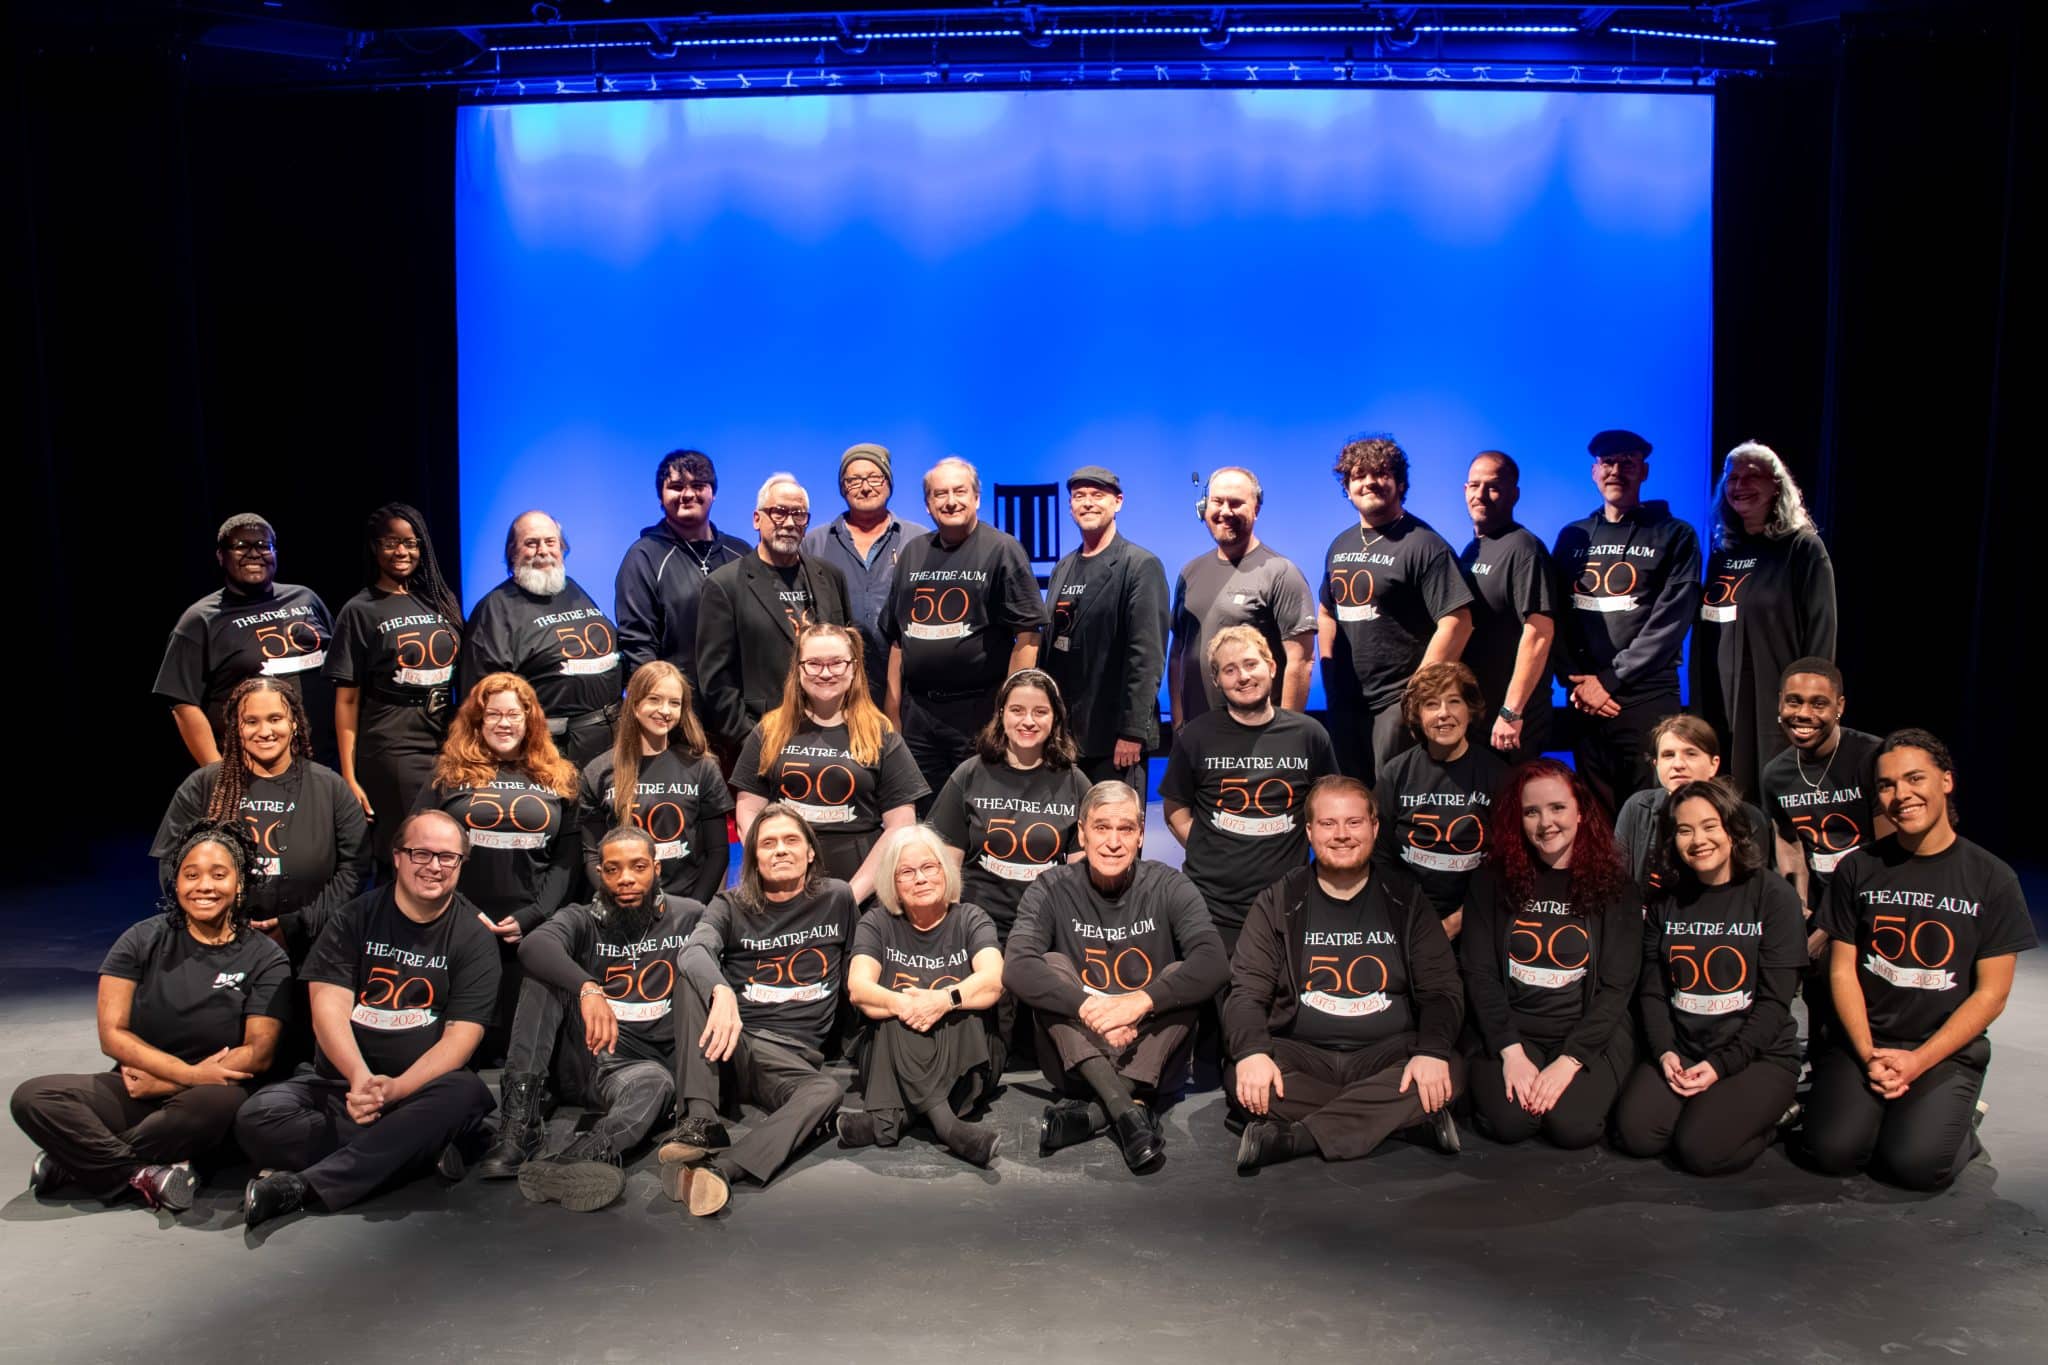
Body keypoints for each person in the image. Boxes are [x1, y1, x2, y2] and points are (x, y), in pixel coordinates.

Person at [235, 809, 501, 1226]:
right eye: (421, 853)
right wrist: (360, 1078)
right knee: (258, 1117)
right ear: (397, 857)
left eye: (447, 857)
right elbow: (328, 1009)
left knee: (464, 1093)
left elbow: (461, 1037)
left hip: (421, 1089)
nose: (434, 866)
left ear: (461, 865)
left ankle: (300, 1188)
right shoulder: (353, 918)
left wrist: (395, 1090)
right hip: (340, 1083)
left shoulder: (474, 938)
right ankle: (425, 1147)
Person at [12, 822, 289, 1211]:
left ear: (240, 883)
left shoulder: (265, 956)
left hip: (206, 1091)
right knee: (34, 1097)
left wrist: (174, 1083)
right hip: (137, 1082)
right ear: (175, 884)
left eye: (218, 874)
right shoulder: (140, 939)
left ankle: (78, 1164)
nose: (203, 886)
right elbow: (113, 1035)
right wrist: (187, 1073)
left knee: (214, 1107)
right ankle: (142, 1174)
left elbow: (258, 1052)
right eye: (191, 875)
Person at [1802, 730, 2036, 1190]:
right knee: (1832, 1153)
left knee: (1914, 1167)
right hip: (1863, 1042)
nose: (1900, 795)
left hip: (1942, 1047)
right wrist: (1869, 1054)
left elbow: (1992, 994)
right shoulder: (1858, 868)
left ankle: (1961, 1123)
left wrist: (1919, 1060)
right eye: (1886, 785)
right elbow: (1842, 969)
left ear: (1946, 781)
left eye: (1914, 779)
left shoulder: (1991, 877)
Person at [1225, 777, 1464, 1170]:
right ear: (1309, 832)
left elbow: (1442, 990)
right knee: (1243, 1071)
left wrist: (1430, 1052)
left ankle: (1295, 1137)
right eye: (1328, 824)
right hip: (1303, 1056)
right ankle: (1401, 1122)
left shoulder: (1405, 897)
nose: (1341, 835)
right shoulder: (1278, 899)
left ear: (1374, 827)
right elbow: (1247, 991)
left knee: (1449, 1065)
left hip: (1387, 1054)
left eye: (1353, 823)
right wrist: (1252, 1053)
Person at [1006, 781, 1230, 1172]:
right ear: (1082, 832)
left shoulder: (1169, 884)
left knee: (1181, 974)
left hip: (1148, 1057)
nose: (1113, 841)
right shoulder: (1051, 887)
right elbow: (1018, 967)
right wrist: (1092, 1008)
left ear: (1141, 834)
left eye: (1125, 829)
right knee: (1052, 966)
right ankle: (1129, 1114)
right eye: (1101, 827)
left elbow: (1213, 961)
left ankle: (1099, 1112)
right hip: (1077, 1057)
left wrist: (1139, 1003)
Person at [478, 826, 704, 1211]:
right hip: (586, 1059)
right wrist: (588, 988)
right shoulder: (582, 918)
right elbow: (533, 945)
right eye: (612, 870)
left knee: (656, 1082)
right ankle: (520, 1126)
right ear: (600, 873)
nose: (626, 879)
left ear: (657, 869)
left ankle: (582, 1157)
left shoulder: (689, 916)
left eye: (638, 867)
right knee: (542, 976)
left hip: (641, 1069)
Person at [661, 806, 860, 1216]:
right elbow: (694, 950)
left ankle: (721, 1171)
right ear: (753, 857)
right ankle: (701, 1122)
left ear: (810, 852)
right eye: (767, 844)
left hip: (790, 1057)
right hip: (731, 1041)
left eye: (791, 841)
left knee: (826, 1091)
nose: (780, 850)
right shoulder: (731, 904)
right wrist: (722, 991)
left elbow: (857, 966)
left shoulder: (838, 897)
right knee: (691, 977)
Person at [1613, 781, 1806, 1175]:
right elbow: (1652, 990)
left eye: (1709, 826)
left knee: (1700, 1150)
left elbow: (1774, 1003)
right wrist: (1665, 1050)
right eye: (1684, 830)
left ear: (1733, 829)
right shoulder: (1666, 900)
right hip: (1684, 1049)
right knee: (1638, 1135)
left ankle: (1779, 1118)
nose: (1698, 840)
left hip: (1756, 1054)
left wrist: (1721, 1065)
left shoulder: (1773, 897)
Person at [1460, 759, 1641, 1149]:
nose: (1546, 823)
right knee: (1511, 1123)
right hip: (1513, 1030)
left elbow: (1617, 986)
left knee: (1572, 1128)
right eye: (1531, 812)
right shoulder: (1491, 880)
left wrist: (1569, 1061)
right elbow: (1480, 973)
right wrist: (1511, 1052)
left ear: (1580, 811)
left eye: (1557, 807)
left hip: (1588, 1033)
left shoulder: (1617, 885)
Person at [415, 672, 581, 1058]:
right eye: (493, 714)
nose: (504, 723)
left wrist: (535, 914)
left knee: (522, 1044)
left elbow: (567, 859)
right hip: (457, 923)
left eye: (514, 714)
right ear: (478, 720)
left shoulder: (560, 777)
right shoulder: (447, 774)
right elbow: (418, 844)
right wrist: (459, 911)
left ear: (530, 720)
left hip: (531, 927)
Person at [151, 677, 369, 959]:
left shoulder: (330, 787)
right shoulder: (204, 785)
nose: (264, 731)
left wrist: (297, 925)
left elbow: (355, 870)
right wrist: (220, 923)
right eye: (251, 721)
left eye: (275, 718)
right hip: (218, 946)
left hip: (312, 945)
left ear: (293, 723)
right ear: (236, 727)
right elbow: (172, 864)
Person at [1550, 430, 1703, 815]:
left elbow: (1671, 622)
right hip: (1586, 703)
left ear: (1644, 471)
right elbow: (1555, 616)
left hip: (1646, 699)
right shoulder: (1573, 537)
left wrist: (1610, 680)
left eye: (1627, 463)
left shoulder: (1676, 534)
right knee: (1595, 820)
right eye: (1608, 463)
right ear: (1594, 472)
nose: (1616, 471)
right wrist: (1577, 683)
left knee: (1650, 813)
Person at [1161, 626, 1339, 951]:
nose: (1243, 676)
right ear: (1217, 681)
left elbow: (1331, 809)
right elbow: (1175, 809)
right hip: (1211, 908)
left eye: (1250, 664)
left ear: (1271, 667)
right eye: (1229, 670)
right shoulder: (1196, 736)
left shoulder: (1309, 735)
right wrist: (1207, 848)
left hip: (1288, 905)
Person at [880, 457, 1046, 806]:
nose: (950, 501)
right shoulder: (912, 553)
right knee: (922, 816)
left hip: (978, 713)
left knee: (976, 810)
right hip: (918, 716)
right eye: (940, 494)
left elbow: (1028, 635)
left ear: (977, 499)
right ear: (927, 504)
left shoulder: (1002, 549)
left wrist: (1008, 710)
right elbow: (898, 638)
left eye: (960, 491)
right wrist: (893, 713)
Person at [839, 825, 1006, 1166]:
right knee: (889, 1010)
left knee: (963, 1005)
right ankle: (946, 1125)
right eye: (907, 872)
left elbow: (994, 980)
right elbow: (858, 988)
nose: (920, 878)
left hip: (965, 1063)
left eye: (929, 867)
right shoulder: (878, 922)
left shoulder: (972, 918)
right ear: (893, 883)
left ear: (945, 872)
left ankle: (890, 1120)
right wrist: (906, 1003)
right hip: (892, 1052)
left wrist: (943, 1000)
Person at [1316, 435, 1473, 783]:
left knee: (1390, 799)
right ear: (1347, 486)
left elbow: (1457, 621)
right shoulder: (1340, 544)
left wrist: (1418, 693)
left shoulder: (1425, 544)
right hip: (1348, 701)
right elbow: (1327, 612)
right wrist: (1330, 682)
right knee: (1352, 794)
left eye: (1381, 473)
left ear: (1400, 483)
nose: (1369, 482)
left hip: (1396, 702)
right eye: (1358, 475)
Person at [732, 624, 926, 903]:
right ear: (798, 669)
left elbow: (901, 825)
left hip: (861, 888)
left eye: (837, 663)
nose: (825, 673)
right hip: (781, 887)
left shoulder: (880, 732)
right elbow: (749, 809)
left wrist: (850, 896)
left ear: (853, 668)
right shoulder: (770, 730)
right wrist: (772, 867)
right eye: (813, 664)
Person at [1691, 442, 1838, 798]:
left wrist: (1810, 704)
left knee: (1772, 800)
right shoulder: (1723, 553)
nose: (1740, 486)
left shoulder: (1803, 549)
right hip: (1720, 703)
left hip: (1774, 706)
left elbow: (1821, 631)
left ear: (1777, 485)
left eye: (1751, 476)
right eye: (1732, 477)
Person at [1758, 659, 1890, 1047]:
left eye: (1819, 703)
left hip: (1874, 899)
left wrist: (1830, 927)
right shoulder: (1776, 773)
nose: (1803, 714)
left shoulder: (1871, 756)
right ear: (1779, 702)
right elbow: (1788, 840)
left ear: (1840, 707)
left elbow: (1888, 855)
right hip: (1822, 899)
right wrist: (1797, 905)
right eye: (1794, 702)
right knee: (1816, 999)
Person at [326, 502, 463, 865]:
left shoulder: (439, 600)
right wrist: (349, 776)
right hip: (391, 745)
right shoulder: (360, 610)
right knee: (404, 848)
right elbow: (347, 701)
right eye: (391, 543)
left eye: (411, 542)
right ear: (374, 548)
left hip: (444, 739)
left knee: (443, 843)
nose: (402, 552)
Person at [155, 513, 334, 766]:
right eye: (241, 546)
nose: (254, 553)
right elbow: (183, 703)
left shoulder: (305, 598)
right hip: (250, 771)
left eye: (263, 545)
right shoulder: (201, 620)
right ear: (221, 556)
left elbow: (341, 669)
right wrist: (216, 773)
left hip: (324, 763)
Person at [695, 473, 855, 752]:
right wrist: (754, 741)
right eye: (779, 513)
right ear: (757, 519)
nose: (790, 523)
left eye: (799, 514)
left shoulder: (830, 576)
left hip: (832, 736)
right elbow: (716, 683)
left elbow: (851, 657)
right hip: (762, 738)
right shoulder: (724, 585)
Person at [929, 669, 1092, 940]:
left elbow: (1082, 876)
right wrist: (952, 931)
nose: (1028, 721)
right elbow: (946, 865)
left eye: (1040, 712)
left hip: (1046, 925)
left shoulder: (1075, 782)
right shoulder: (969, 774)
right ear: (1001, 714)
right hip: (978, 926)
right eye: (1017, 710)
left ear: (1056, 718)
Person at [1039, 465, 1169, 796]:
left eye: (1098, 496)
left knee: (1115, 838)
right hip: (1065, 738)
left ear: (1118, 503)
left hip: (1115, 740)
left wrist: (1132, 732)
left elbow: (1147, 655)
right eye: (1079, 496)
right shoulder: (1062, 567)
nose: (1087, 503)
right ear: (1070, 507)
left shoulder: (1140, 565)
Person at [460, 510, 622, 767]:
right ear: (512, 551)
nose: (543, 551)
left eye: (550, 542)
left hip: (612, 742)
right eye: (531, 543)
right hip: (551, 752)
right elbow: (483, 697)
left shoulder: (572, 588)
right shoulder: (494, 609)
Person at [1370, 663, 1509, 939]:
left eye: (1454, 701)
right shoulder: (1396, 773)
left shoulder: (1498, 775)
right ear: (1418, 716)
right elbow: (1379, 853)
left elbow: (1507, 862)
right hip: (1406, 916)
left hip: (1477, 918)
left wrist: (1460, 919)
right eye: (1431, 704)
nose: (1444, 714)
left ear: (1469, 710)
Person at [1169, 467, 1317, 726]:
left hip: (1259, 737)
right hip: (1197, 735)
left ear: (1256, 509)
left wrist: (1288, 734)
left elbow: (1301, 661)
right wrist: (1179, 723)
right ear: (1204, 506)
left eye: (1236, 503)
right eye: (1217, 501)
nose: (1225, 511)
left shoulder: (1281, 573)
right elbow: (1178, 653)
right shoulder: (1189, 572)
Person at [575, 661, 733, 903]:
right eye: (654, 699)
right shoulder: (598, 772)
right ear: (635, 704)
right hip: (623, 906)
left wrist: (693, 908)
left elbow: (718, 852)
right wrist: (616, 900)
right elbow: (592, 855)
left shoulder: (702, 767)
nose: (665, 711)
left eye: (674, 703)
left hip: (687, 907)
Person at [802, 443, 929, 699]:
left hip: (907, 685)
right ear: (842, 487)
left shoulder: (919, 541)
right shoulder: (814, 542)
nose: (866, 487)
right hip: (834, 683)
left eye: (874, 477)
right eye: (854, 480)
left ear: (889, 483)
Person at [615, 448, 750, 683]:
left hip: (740, 703)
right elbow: (637, 644)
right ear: (660, 496)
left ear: (713, 493)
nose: (687, 494)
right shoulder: (643, 557)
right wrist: (660, 700)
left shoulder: (741, 553)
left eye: (698, 485)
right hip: (679, 705)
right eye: (676, 487)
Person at [1458, 451, 1558, 763]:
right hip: (1478, 715)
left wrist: (1511, 711)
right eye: (1474, 485)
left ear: (1514, 494)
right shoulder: (1472, 550)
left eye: (1493, 487)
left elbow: (1539, 633)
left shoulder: (1524, 548)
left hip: (1511, 721)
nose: (1481, 495)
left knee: (1510, 806)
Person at [1613, 714, 1774, 893]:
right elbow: (1618, 881)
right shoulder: (1637, 807)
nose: (1678, 764)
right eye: (1668, 755)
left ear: (1714, 764)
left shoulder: (1745, 816)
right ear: (1656, 765)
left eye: (1690, 754)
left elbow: (1754, 890)